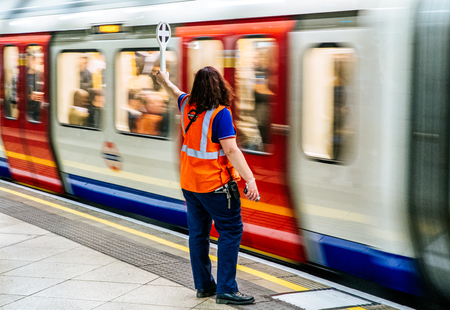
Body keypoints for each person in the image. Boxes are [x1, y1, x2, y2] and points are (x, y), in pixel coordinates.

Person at [156, 66, 259, 305]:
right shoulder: (220, 114)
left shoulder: (186, 105)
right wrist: (250, 179)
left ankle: (203, 286)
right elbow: (231, 150)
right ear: (220, 86)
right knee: (231, 231)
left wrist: (164, 81)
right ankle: (226, 289)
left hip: (190, 185)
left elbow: (175, 92)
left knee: (198, 235)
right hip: (216, 186)